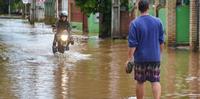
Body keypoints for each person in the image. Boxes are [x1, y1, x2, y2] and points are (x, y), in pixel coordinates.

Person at [126, 0, 164, 99]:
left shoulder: (134, 24)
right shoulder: (158, 22)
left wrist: (129, 59)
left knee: (140, 81)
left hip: (140, 59)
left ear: (138, 8)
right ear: (148, 7)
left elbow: (132, 45)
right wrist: (160, 55)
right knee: (155, 80)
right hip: (155, 57)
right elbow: (161, 41)